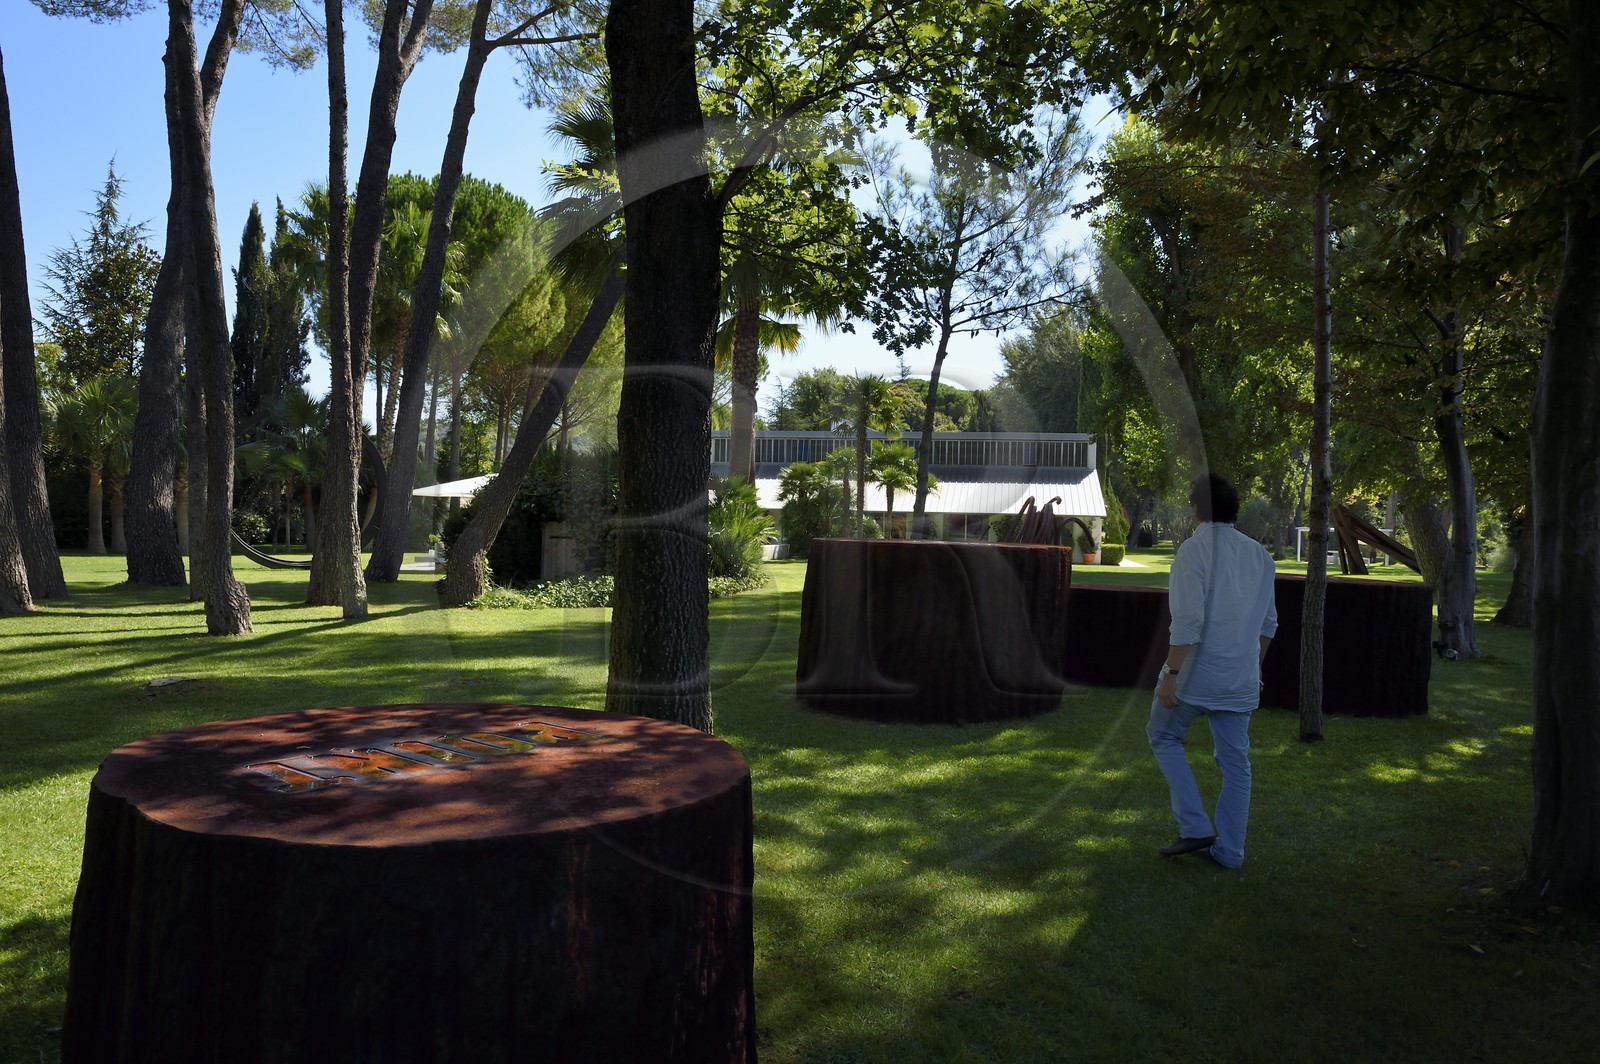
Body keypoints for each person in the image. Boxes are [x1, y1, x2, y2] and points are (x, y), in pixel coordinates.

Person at [1147, 473, 1277, 870]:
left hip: (1196, 677)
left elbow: (1187, 621)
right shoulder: (1259, 555)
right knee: (1237, 766)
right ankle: (1231, 852)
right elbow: (1268, 624)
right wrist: (1253, 667)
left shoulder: (1193, 550)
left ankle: (1195, 825)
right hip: (1240, 679)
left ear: (1195, 510)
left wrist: (1170, 672)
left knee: (1163, 735)